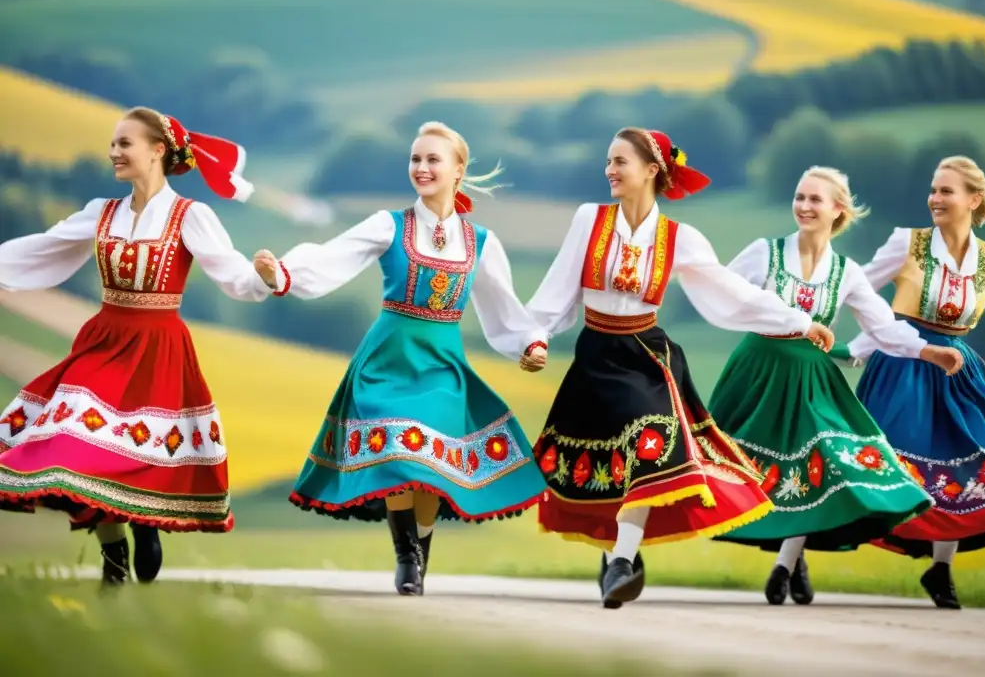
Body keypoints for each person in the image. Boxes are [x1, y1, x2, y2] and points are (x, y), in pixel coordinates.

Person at [526, 127, 837, 609]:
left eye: (619, 162)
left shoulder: (680, 237)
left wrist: (799, 321)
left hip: (647, 356)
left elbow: (732, 292)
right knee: (611, 466)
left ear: (652, 170)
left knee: (650, 445)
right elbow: (560, 284)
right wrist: (536, 337)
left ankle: (624, 561)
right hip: (596, 353)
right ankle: (618, 554)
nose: (609, 170)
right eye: (608, 161)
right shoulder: (590, 220)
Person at [253, 121, 549, 597]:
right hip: (388, 358)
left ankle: (420, 546)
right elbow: (333, 257)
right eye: (416, 159)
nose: (422, 168)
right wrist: (282, 272)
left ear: (458, 170)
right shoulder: (386, 224)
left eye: (433, 159)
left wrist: (529, 343)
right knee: (399, 447)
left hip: (442, 363)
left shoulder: (482, 242)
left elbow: (504, 307)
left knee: (431, 468)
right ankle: (406, 555)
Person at [0, 107, 270, 586]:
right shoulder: (101, 213)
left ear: (157, 151)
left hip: (158, 347)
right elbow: (40, 248)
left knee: (137, 450)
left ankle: (144, 526)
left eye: (125, 144)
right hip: (103, 340)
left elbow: (233, 273)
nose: (114, 153)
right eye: (113, 144)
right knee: (72, 445)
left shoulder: (192, 216)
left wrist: (263, 277)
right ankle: (113, 557)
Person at [708, 166, 963, 605]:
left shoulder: (846, 272)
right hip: (759, 372)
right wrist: (783, 319)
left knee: (826, 459)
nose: (804, 206)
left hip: (813, 379)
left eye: (815, 199)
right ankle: (626, 545)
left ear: (837, 210)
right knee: (713, 466)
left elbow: (883, 327)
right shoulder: (763, 252)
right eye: (799, 196)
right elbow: (721, 295)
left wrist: (929, 351)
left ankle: (788, 560)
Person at [849, 156, 985, 609]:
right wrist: (850, 340)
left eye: (946, 191)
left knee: (965, 464)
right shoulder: (906, 242)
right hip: (903, 362)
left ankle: (941, 570)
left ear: (974, 199)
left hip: (957, 369)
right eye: (933, 189)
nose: (935, 198)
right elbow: (855, 288)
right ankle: (795, 552)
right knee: (867, 462)